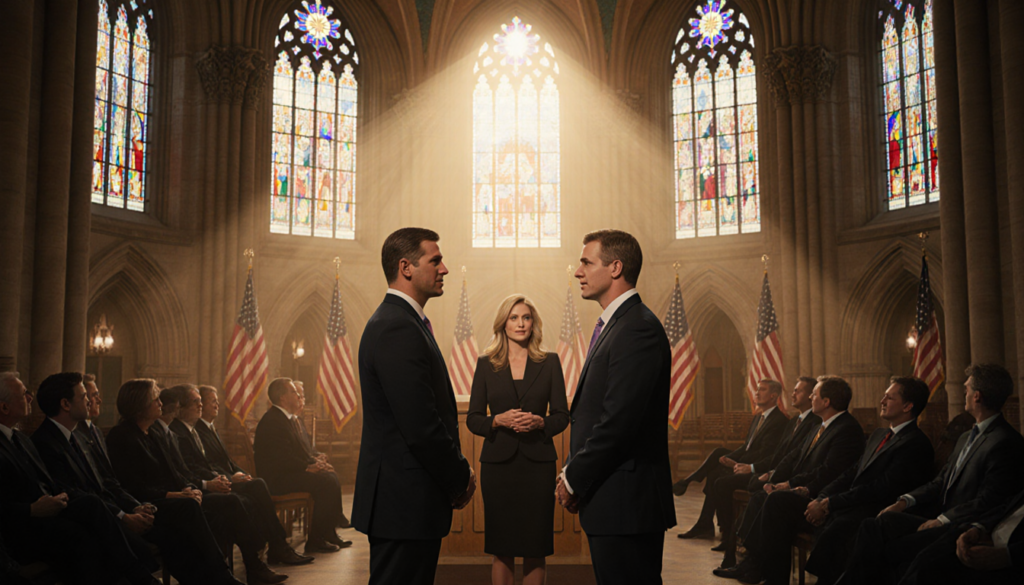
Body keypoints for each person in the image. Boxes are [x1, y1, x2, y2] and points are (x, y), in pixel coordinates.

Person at [353, 227, 475, 585]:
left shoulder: (404, 322)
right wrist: (459, 477)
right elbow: (421, 425)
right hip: (402, 500)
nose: (444, 269)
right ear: (406, 267)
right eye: (435, 260)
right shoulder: (397, 327)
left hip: (407, 499)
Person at [555, 229, 676, 584]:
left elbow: (618, 423)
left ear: (615, 268)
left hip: (628, 502)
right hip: (612, 498)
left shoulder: (637, 328)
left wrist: (574, 478)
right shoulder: (617, 326)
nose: (578, 271)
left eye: (586, 262)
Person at [835, 364, 1024, 585]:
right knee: (875, 524)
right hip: (936, 515)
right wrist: (905, 501)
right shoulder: (965, 437)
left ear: (977, 396)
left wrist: (943, 520)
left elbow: (989, 500)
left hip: (959, 525)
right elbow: (940, 481)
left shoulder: (1005, 441)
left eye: (967, 389)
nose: (964, 393)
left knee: (891, 550)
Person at [0, 372, 162, 585]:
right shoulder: (41, 440)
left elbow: (56, 483)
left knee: (92, 513)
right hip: (21, 528)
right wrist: (32, 509)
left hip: (50, 513)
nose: (30, 398)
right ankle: (141, 577)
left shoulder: (21, 438)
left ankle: (140, 574)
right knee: (90, 535)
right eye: (23, 394)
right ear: (4, 408)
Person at [715, 375, 864, 584]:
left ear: (827, 401)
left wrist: (792, 485)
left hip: (817, 494)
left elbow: (829, 472)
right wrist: (776, 479)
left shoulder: (846, 429)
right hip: (801, 487)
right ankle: (754, 565)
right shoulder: (819, 426)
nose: (811, 397)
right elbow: (795, 457)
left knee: (775, 501)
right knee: (760, 496)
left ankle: (774, 577)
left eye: (814, 394)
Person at [466, 294, 570, 585]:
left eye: (526, 317)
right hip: (499, 468)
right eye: (514, 318)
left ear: (533, 323)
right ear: (503, 324)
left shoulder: (550, 362)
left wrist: (541, 422)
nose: (520, 323)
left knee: (536, 549)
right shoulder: (486, 364)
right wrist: (497, 420)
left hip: (538, 466)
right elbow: (473, 418)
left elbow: (562, 416)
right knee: (502, 550)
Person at [105, 378, 247, 585]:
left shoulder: (152, 432)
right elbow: (132, 486)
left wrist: (188, 488)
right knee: (189, 509)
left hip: (170, 498)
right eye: (155, 399)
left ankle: (209, 577)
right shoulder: (122, 436)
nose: (161, 404)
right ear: (139, 405)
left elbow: (173, 472)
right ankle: (221, 575)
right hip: (145, 503)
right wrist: (176, 495)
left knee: (215, 512)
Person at [802, 377, 935, 585]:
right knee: (829, 520)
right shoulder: (879, 434)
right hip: (857, 504)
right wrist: (822, 497)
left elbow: (882, 488)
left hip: (880, 511)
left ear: (908, 406)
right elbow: (852, 473)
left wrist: (831, 503)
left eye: (889, 398)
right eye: (884, 396)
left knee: (840, 526)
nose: (882, 401)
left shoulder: (915, 443)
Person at [168, 384, 313, 566]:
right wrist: (227, 478)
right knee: (254, 490)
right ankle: (272, 547)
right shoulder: (184, 431)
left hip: (219, 480)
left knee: (255, 487)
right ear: (180, 407)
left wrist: (241, 474)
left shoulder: (203, 429)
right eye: (202, 402)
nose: (213, 405)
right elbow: (196, 467)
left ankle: (271, 548)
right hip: (208, 485)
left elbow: (227, 462)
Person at [717, 377, 820, 568]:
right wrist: (768, 472)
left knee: (756, 492)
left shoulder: (814, 423)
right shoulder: (794, 422)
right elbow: (780, 455)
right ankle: (737, 551)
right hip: (775, 473)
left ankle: (743, 554)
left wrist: (768, 473)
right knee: (736, 479)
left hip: (792, 481)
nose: (792, 394)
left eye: (799, 391)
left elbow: (798, 461)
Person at [674, 379, 788, 540]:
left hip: (757, 468)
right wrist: (730, 458)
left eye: (762, 390)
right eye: (757, 389)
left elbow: (765, 453)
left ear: (773, 396)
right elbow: (746, 446)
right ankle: (711, 525)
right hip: (746, 461)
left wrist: (737, 463)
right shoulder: (758, 418)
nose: (756, 392)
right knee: (719, 453)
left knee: (715, 476)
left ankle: (717, 527)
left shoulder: (779, 420)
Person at [254, 378, 351, 553]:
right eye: (293, 392)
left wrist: (316, 463)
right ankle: (316, 539)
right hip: (277, 479)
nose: (298, 395)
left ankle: (326, 533)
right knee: (326, 482)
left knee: (330, 476)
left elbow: (300, 452)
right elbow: (281, 458)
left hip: (288, 473)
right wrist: (308, 467)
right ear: (283, 398)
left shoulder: (288, 419)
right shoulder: (273, 421)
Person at [900, 487, 1024, 585]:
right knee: (919, 555)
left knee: (927, 565)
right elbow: (1004, 507)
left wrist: (1007, 555)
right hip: (981, 535)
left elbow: (988, 499)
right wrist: (978, 528)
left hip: (1008, 562)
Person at [288, 380, 351, 529]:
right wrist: (312, 462)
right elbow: (293, 453)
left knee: (330, 473)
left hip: (305, 463)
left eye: (302, 396)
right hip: (294, 472)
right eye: (298, 395)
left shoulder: (298, 421)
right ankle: (323, 529)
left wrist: (318, 455)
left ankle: (335, 517)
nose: (301, 399)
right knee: (327, 478)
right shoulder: (287, 422)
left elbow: (308, 447)